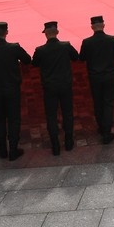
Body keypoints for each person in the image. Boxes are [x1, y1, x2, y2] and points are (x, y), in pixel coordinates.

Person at [0, 22, 30, 160]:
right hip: (12, 88)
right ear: (6, 32)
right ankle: (13, 149)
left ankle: (2, 150)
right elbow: (27, 60)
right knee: (14, 118)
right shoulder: (14, 48)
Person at [31, 21, 78, 155]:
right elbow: (76, 58)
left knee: (51, 116)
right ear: (57, 32)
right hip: (65, 85)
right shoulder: (66, 46)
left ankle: (55, 146)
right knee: (67, 113)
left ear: (45, 33)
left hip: (49, 87)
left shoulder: (40, 50)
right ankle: (69, 142)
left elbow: (34, 64)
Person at [79, 16, 114, 144]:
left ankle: (101, 127)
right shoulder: (112, 40)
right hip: (109, 75)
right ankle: (107, 131)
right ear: (103, 25)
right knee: (108, 103)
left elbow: (82, 58)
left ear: (92, 27)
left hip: (94, 77)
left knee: (98, 102)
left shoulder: (87, 42)